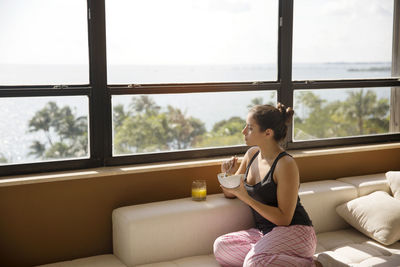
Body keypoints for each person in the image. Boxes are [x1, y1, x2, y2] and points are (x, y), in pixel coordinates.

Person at [213, 103, 316, 267]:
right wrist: (227, 175)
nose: (243, 132)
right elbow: (231, 193)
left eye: (250, 128)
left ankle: (314, 264)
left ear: (268, 133)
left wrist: (246, 197)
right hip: (264, 233)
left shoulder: (285, 164)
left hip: (296, 233)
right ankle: (269, 256)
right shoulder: (252, 154)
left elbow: (284, 219)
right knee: (221, 247)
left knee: (254, 263)